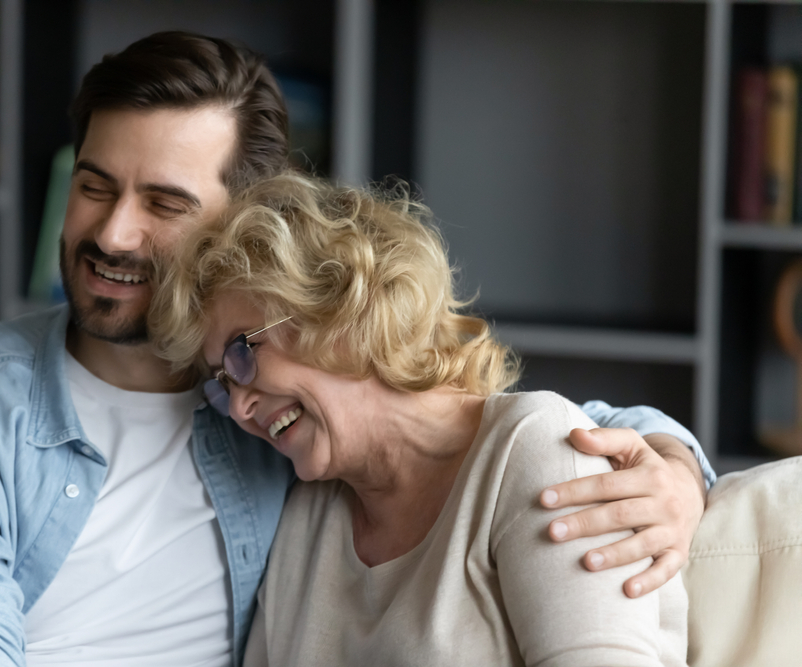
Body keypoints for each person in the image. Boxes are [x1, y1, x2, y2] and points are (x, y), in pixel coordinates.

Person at [0, 32, 712, 667]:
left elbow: (504, 435)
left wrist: (674, 465)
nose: (112, 233)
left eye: (163, 203)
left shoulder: (280, 428)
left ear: (244, 228)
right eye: (93, 186)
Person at [151, 172, 690, 665]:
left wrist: (682, 463)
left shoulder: (532, 449)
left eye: (242, 355)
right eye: (223, 385)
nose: (241, 407)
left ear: (340, 305)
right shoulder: (305, 520)